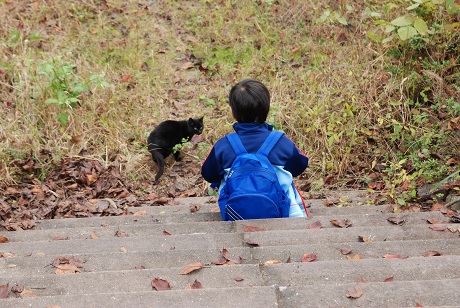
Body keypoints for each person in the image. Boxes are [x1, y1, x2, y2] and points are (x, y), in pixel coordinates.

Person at [201, 79, 309, 218]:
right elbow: (300, 165)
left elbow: (208, 174)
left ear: (232, 111)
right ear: (267, 109)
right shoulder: (281, 142)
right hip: (279, 210)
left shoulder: (223, 145)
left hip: (236, 211)